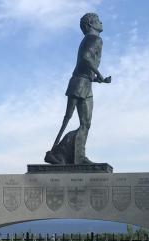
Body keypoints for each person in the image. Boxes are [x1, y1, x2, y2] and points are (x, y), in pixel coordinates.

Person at [48, 13, 111, 165]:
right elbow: (85, 58)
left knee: (85, 124)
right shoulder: (94, 39)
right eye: (98, 21)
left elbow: (85, 69)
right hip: (79, 84)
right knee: (68, 119)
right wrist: (100, 75)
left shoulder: (90, 39)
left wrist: (98, 79)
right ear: (90, 23)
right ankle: (57, 152)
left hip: (85, 83)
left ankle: (73, 155)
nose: (101, 22)